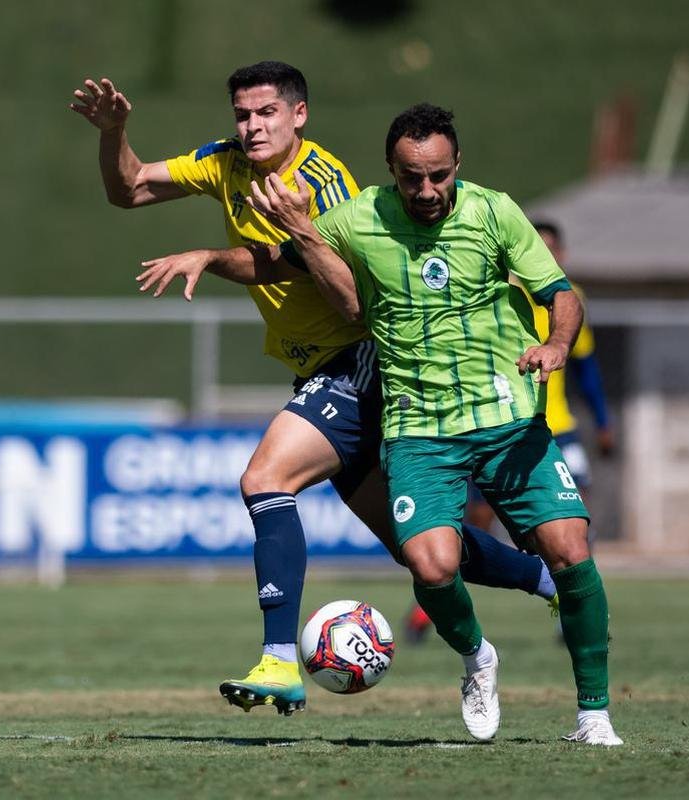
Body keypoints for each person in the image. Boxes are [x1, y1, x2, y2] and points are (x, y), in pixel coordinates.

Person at [72, 63, 559, 717]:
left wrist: (215, 256)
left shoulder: (324, 185)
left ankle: (279, 660)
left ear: (298, 115)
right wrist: (115, 132)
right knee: (419, 549)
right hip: (321, 368)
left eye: (266, 113)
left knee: (264, 479)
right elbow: (128, 189)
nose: (251, 126)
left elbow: (335, 291)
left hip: (359, 358)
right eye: (243, 114)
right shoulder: (222, 163)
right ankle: (549, 578)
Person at [242, 103, 623, 745]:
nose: (427, 191)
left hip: (506, 418)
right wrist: (254, 240)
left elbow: (561, 294)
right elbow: (279, 265)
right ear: (391, 171)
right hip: (418, 427)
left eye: (439, 176)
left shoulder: (493, 211)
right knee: (432, 567)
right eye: (412, 178)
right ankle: (477, 657)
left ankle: (593, 715)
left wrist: (556, 345)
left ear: (457, 166)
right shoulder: (357, 219)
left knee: (570, 551)